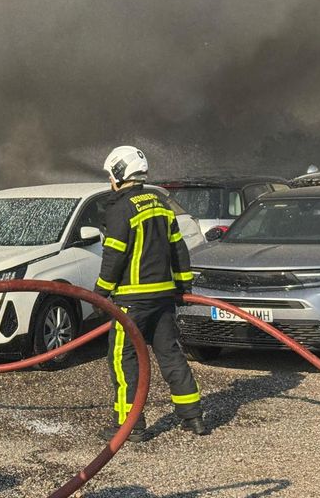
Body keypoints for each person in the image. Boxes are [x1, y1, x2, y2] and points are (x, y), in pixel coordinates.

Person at [93, 146, 207, 442]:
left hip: (132, 300)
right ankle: (193, 416)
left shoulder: (121, 207)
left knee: (123, 358)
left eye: (110, 175)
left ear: (119, 173)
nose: (110, 181)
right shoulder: (161, 202)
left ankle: (130, 425)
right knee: (170, 354)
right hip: (163, 298)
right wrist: (183, 286)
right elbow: (178, 248)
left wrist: (100, 293)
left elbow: (114, 255)